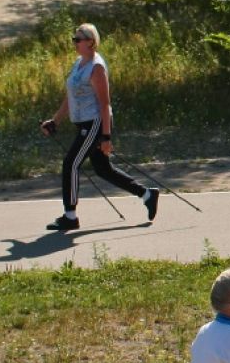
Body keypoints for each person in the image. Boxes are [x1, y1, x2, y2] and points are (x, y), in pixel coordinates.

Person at [38, 22, 157, 231]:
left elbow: (105, 104)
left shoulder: (97, 67)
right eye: (74, 39)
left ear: (90, 41)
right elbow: (71, 97)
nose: (74, 43)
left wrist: (106, 137)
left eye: (78, 39)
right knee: (103, 169)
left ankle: (70, 216)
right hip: (84, 123)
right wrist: (55, 121)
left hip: (95, 123)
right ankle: (147, 194)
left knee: (70, 164)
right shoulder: (79, 63)